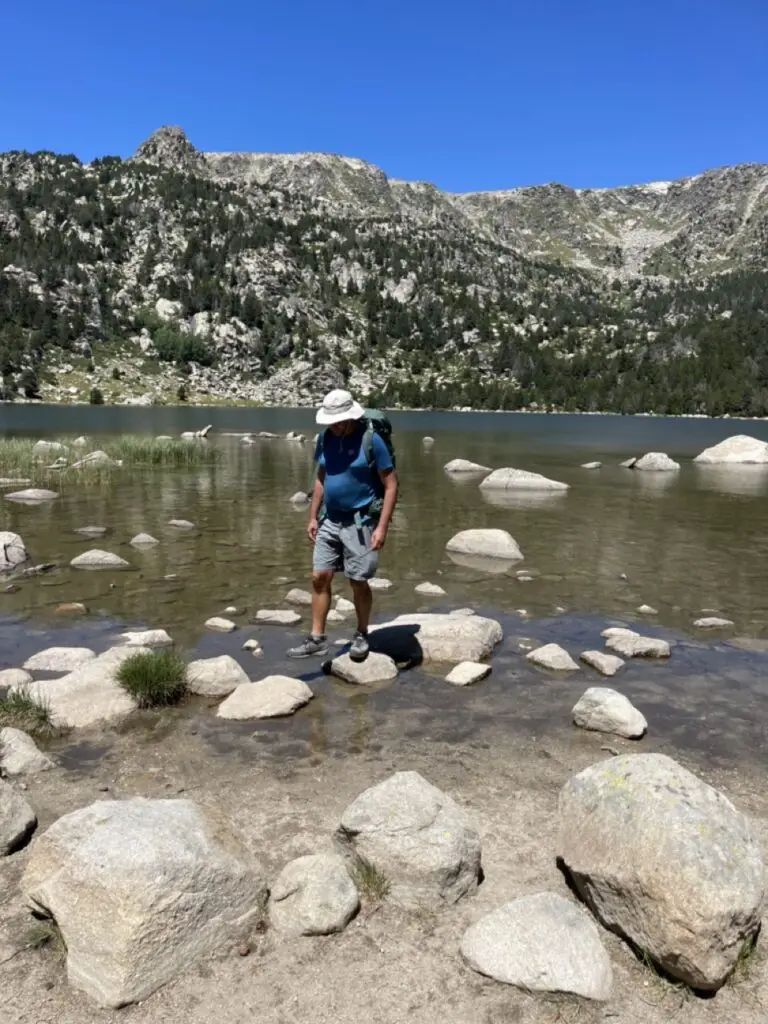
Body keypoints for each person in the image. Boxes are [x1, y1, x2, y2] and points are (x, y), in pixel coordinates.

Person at [288, 389, 398, 662]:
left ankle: (361, 633)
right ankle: (317, 639)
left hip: (360, 522)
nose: (334, 425)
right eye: (330, 421)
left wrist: (381, 527)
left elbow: (391, 484)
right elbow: (321, 477)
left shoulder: (371, 441)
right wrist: (313, 515)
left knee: (357, 581)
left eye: (338, 421)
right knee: (319, 577)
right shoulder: (325, 438)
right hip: (330, 519)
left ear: (351, 416)